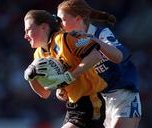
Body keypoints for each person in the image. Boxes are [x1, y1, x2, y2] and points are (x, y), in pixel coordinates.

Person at [57, 0, 142, 128]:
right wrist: (61, 90)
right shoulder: (68, 45)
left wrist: (92, 40)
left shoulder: (100, 33)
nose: (60, 25)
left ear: (78, 19)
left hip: (122, 96)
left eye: (62, 20)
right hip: (96, 102)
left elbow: (119, 56)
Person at [23, 9, 108, 128]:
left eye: (28, 30)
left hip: (91, 100)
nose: (25, 36)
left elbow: (95, 55)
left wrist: (70, 76)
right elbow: (45, 93)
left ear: (44, 27)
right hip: (72, 106)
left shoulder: (64, 39)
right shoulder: (38, 56)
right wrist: (31, 78)